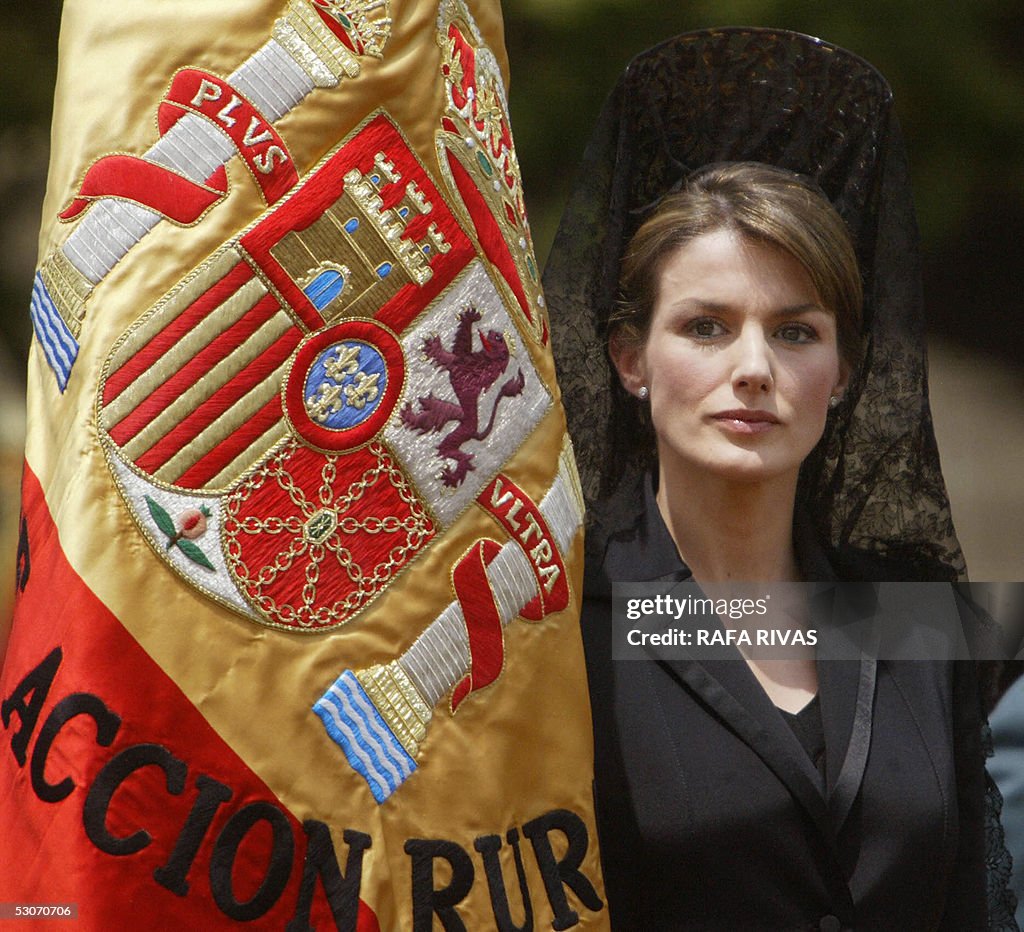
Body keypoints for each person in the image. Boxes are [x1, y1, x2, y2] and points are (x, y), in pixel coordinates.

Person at [544, 28, 1018, 930]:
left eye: (797, 331)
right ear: (629, 357)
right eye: (707, 327)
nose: (754, 366)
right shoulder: (564, 623)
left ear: (842, 373)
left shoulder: (912, 615)